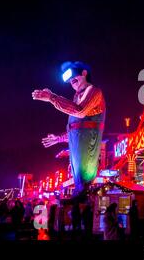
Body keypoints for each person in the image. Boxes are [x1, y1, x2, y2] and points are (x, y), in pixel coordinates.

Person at [32, 61, 106, 200]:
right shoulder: (77, 98)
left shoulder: (94, 92)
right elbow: (79, 130)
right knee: (79, 181)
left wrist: (52, 98)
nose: (72, 82)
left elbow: (80, 111)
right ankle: (80, 195)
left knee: (83, 182)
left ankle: (83, 196)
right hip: (79, 153)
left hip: (87, 155)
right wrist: (59, 138)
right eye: (70, 82)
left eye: (75, 77)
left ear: (84, 73)